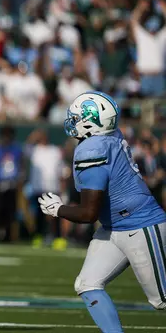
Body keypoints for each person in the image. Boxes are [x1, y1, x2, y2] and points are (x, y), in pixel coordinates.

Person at [38, 91, 166, 333]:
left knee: (161, 299)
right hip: (114, 227)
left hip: (140, 225)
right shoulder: (108, 137)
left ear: (91, 121)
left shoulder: (92, 148)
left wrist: (58, 210)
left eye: (77, 117)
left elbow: (88, 214)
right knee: (87, 283)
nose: (72, 122)